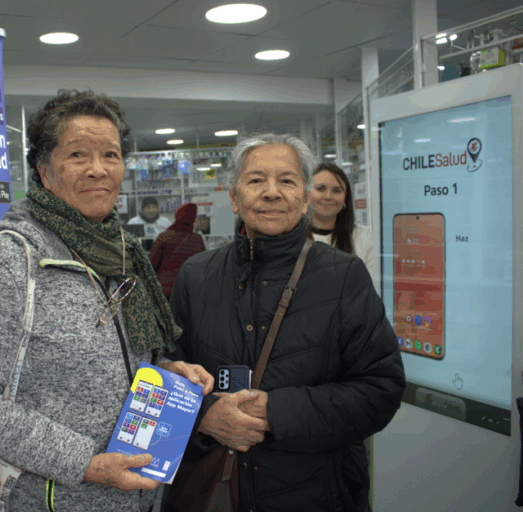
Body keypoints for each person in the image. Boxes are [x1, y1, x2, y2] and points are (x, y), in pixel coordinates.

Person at [0, 89, 213, 512]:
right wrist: (85, 463)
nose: (98, 170)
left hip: (131, 494)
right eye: (78, 155)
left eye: (111, 155)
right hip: (47, 497)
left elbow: (113, 355)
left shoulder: (121, 250)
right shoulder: (9, 258)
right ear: (44, 170)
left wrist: (162, 372)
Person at [165, 133, 405, 512]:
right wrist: (205, 413)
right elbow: (163, 372)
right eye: (256, 180)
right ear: (233, 196)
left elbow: (381, 388)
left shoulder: (343, 276)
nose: (271, 192)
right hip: (214, 488)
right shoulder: (196, 276)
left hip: (316, 491)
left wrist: (276, 412)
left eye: (287, 180)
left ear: (305, 197)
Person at [308, 163, 375, 276]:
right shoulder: (290, 236)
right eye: (320, 189)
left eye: (337, 190)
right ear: (307, 194)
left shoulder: (364, 238)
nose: (328, 196)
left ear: (345, 198)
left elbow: (370, 288)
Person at [148, 203, 206, 298]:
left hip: (165, 291)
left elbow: (151, 265)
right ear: (193, 219)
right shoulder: (198, 239)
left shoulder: (164, 237)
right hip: (190, 291)